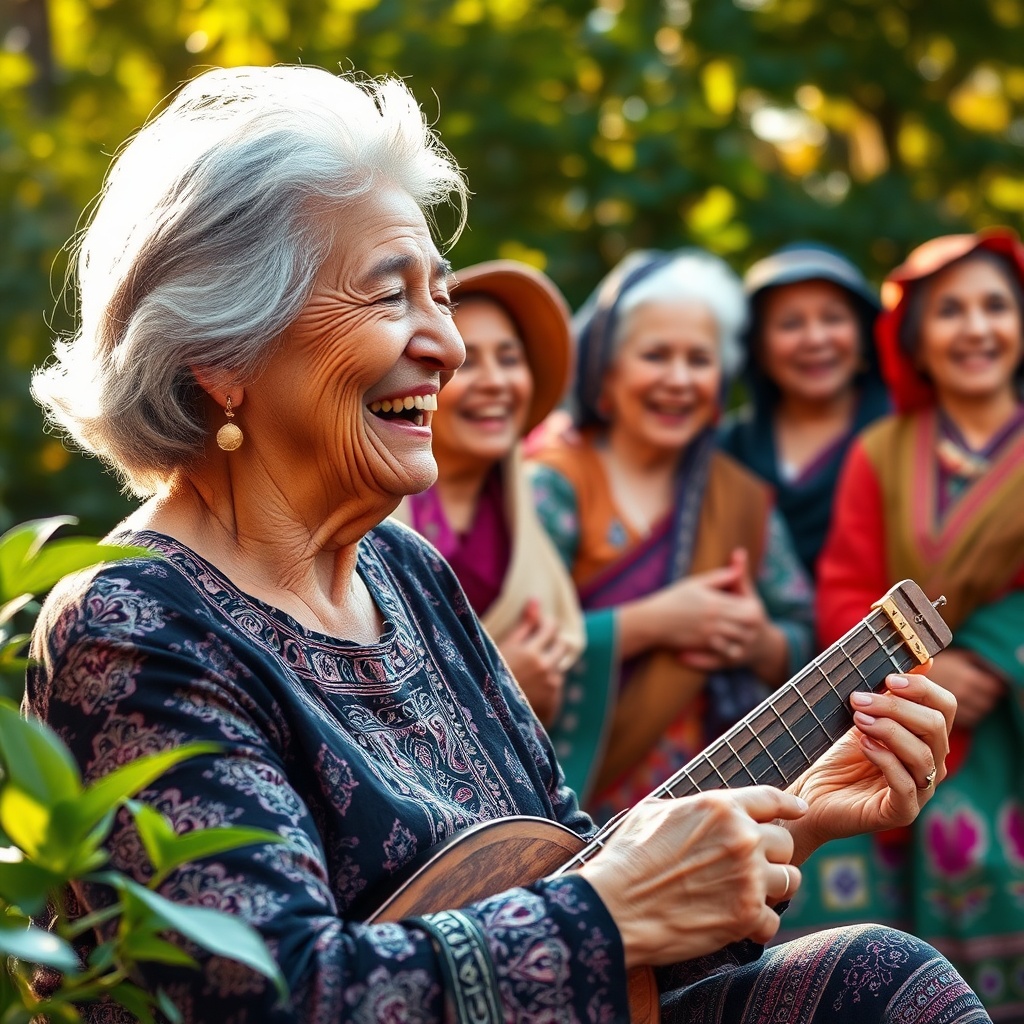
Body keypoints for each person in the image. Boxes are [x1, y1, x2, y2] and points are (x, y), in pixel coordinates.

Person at [25, 65, 987, 1024]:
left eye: (438, 295)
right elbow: (262, 997)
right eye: (387, 295)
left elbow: (568, 867)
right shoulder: (133, 622)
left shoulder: (406, 572)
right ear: (223, 354)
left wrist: (800, 811)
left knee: (880, 981)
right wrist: (607, 916)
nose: (446, 342)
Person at [815, 227, 1024, 1021]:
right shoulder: (881, 451)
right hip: (892, 716)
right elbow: (845, 588)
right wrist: (926, 681)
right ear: (918, 341)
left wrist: (994, 659)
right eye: (952, 311)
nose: (977, 328)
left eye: (996, 307)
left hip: (1008, 733)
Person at [530, 251, 815, 819]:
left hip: (721, 807)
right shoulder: (553, 484)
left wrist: (759, 641)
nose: (679, 379)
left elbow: (805, 635)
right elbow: (507, 651)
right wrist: (654, 623)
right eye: (656, 355)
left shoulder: (741, 499)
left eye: (699, 359)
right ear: (606, 372)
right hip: (575, 817)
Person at [391, 260, 592, 740]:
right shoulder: (370, 516)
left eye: (509, 358)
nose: (496, 383)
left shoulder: (535, 509)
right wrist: (500, 688)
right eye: (471, 361)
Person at [720, 243, 890, 578]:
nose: (815, 339)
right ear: (757, 347)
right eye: (790, 324)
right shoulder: (725, 451)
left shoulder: (905, 438)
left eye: (833, 318)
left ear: (863, 335)